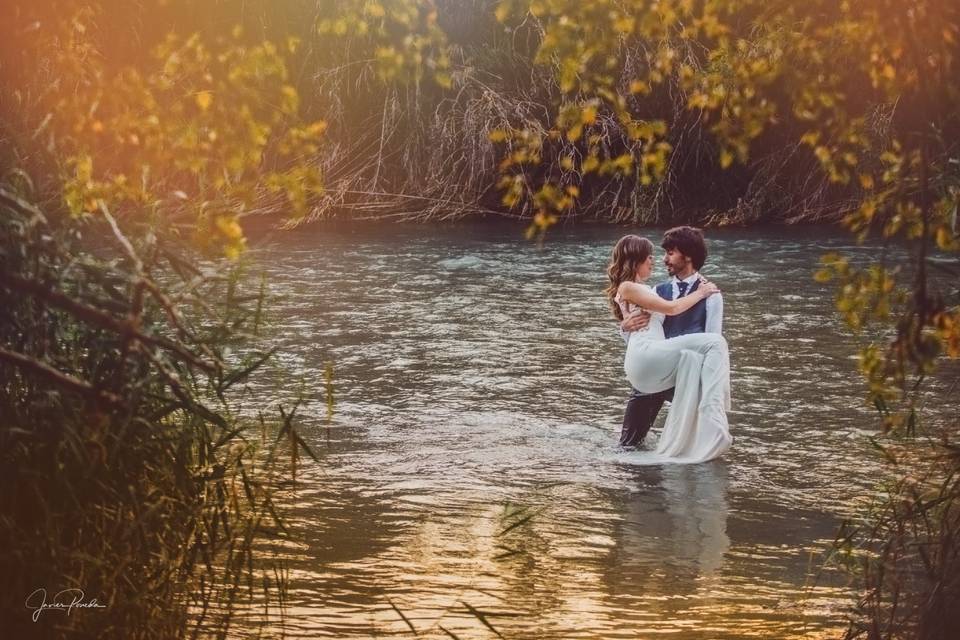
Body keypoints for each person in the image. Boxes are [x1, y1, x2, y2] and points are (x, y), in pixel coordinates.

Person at [606, 234, 732, 463]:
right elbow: (646, 328)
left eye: (670, 253)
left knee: (697, 442)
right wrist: (624, 326)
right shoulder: (655, 290)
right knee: (627, 447)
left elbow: (712, 334)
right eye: (657, 255)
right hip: (656, 366)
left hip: (686, 372)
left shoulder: (712, 295)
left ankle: (711, 422)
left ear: (689, 256)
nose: (662, 260)